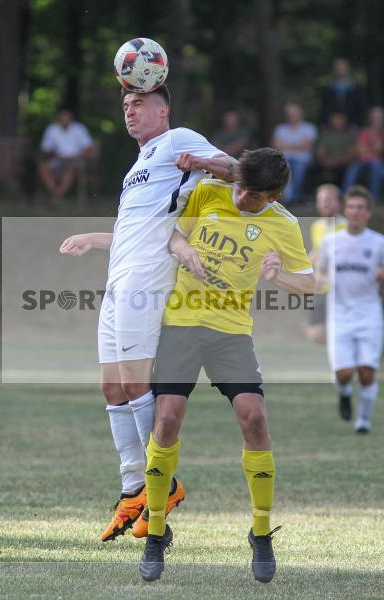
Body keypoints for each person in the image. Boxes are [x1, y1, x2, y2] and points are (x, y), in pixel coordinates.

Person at [59, 85, 237, 543]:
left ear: (163, 109)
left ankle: (164, 485)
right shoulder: (136, 167)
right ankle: (133, 488)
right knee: (112, 386)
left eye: (138, 104)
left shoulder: (179, 139)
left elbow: (238, 170)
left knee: (137, 382)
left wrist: (199, 163)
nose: (129, 112)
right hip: (119, 278)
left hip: (148, 279)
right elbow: (133, 231)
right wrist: (92, 238)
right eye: (124, 105)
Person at [138, 148, 314, 583]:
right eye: (239, 186)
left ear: (271, 198)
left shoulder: (284, 225)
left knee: (254, 418)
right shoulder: (209, 191)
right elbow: (173, 235)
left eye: (252, 195)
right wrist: (184, 252)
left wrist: (278, 278)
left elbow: (310, 285)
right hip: (181, 321)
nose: (240, 198)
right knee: (167, 421)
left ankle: (260, 532)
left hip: (231, 330)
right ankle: (156, 530)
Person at [318, 186, 384, 433]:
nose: (354, 212)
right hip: (339, 316)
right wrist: (318, 279)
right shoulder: (330, 241)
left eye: (360, 208)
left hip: (369, 315)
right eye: (350, 207)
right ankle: (344, 394)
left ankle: (364, 422)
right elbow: (319, 269)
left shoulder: (379, 243)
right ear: (344, 211)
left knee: (367, 372)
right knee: (344, 373)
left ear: (368, 213)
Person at [306, 184, 346, 343]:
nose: (325, 203)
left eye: (329, 200)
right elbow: (316, 253)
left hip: (340, 289)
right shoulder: (316, 227)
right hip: (321, 287)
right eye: (321, 200)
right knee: (315, 336)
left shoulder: (348, 228)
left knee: (338, 333)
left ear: (339, 203)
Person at [37, 108, 94, 203]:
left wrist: (77, 156)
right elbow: (46, 149)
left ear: (71, 119)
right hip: (58, 159)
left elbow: (89, 149)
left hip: (75, 159)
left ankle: (56, 197)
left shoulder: (79, 129)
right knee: (43, 168)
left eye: (66, 119)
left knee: (70, 170)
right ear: (58, 119)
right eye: (62, 119)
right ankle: (56, 194)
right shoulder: (52, 129)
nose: (64, 121)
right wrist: (52, 154)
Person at [271, 103, 317, 204]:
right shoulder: (280, 128)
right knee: (283, 167)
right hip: (284, 159)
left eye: (294, 114)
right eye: (289, 114)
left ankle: (294, 198)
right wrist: (297, 145)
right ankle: (288, 198)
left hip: (302, 159)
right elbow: (276, 146)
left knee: (297, 168)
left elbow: (306, 146)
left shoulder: (309, 127)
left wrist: (286, 145)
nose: (292, 116)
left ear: (300, 114)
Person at [342, 106, 384, 200]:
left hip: (377, 161)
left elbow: (381, 150)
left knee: (376, 166)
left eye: (379, 118)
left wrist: (374, 136)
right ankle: (346, 196)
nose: (377, 120)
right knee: (352, 170)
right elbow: (361, 150)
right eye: (375, 118)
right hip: (362, 160)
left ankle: (373, 198)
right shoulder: (364, 132)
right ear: (370, 119)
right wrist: (373, 151)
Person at [314, 111, 358, 188]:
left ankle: (346, 195)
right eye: (336, 118)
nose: (338, 121)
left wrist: (338, 161)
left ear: (345, 120)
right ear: (331, 119)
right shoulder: (325, 134)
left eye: (341, 118)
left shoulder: (351, 135)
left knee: (351, 169)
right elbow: (320, 151)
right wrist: (326, 161)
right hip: (327, 163)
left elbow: (353, 153)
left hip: (345, 164)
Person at [320, 58, 367, 127]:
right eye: (338, 69)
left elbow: (362, 110)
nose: (341, 71)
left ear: (348, 69)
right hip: (332, 129)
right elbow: (324, 110)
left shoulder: (358, 90)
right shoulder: (328, 90)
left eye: (343, 68)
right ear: (334, 70)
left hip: (353, 128)